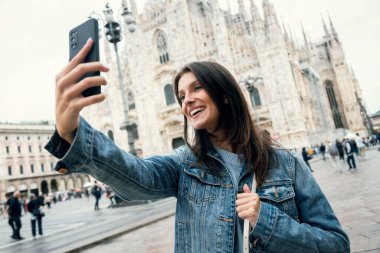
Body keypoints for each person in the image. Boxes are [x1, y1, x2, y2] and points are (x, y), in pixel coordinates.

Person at [45, 42, 349, 252]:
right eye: (179, 96)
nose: (186, 100)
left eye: (197, 88)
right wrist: (71, 131)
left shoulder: (286, 163)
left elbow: (336, 245)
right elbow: (137, 177)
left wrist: (265, 220)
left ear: (225, 93)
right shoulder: (185, 164)